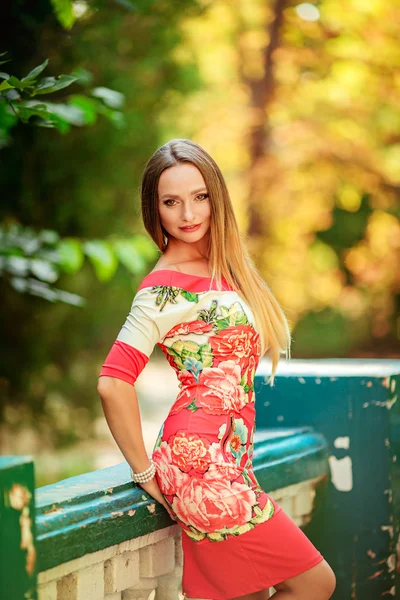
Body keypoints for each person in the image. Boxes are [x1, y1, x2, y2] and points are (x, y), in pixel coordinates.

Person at [97, 139, 336, 600]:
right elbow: (112, 382)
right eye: (171, 202)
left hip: (229, 463)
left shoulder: (222, 269)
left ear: (216, 197)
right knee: (314, 583)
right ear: (155, 210)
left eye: (199, 196)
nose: (188, 213)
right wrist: (146, 474)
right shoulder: (161, 290)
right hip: (198, 466)